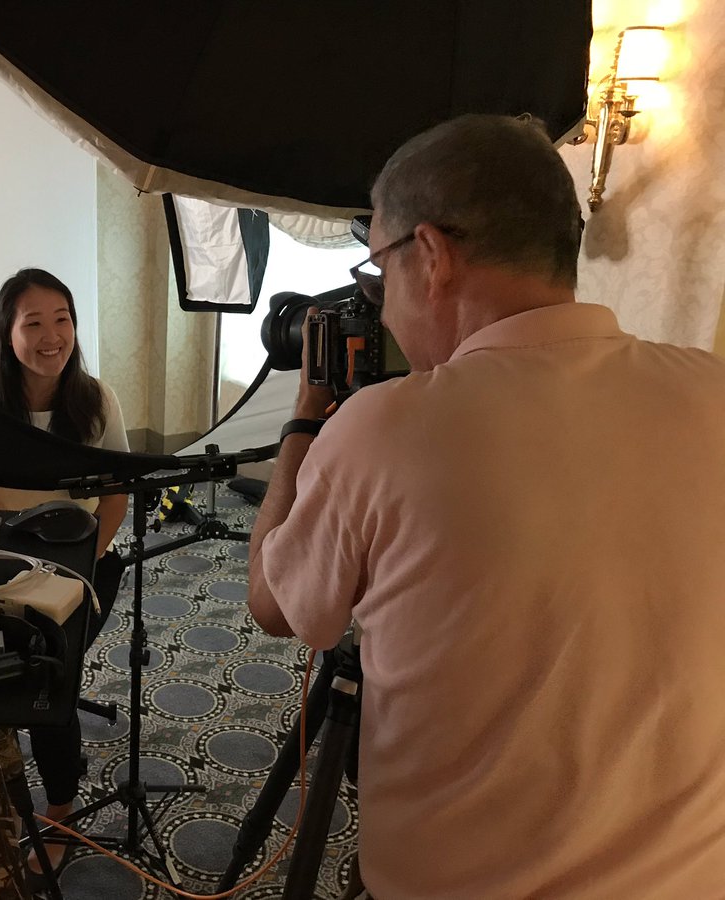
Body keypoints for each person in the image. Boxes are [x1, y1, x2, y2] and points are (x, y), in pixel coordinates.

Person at [248, 115, 725, 898]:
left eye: (378, 271)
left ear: (430, 256)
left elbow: (277, 606)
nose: (383, 305)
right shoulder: (710, 391)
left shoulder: (388, 429)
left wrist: (305, 421)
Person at [0, 267, 129, 879]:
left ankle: (60, 809)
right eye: (32, 323)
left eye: (61, 319)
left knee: (49, 674)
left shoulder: (95, 400)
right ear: (7, 334)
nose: (50, 335)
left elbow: (116, 496)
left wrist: (79, 572)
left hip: (87, 562)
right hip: (4, 562)